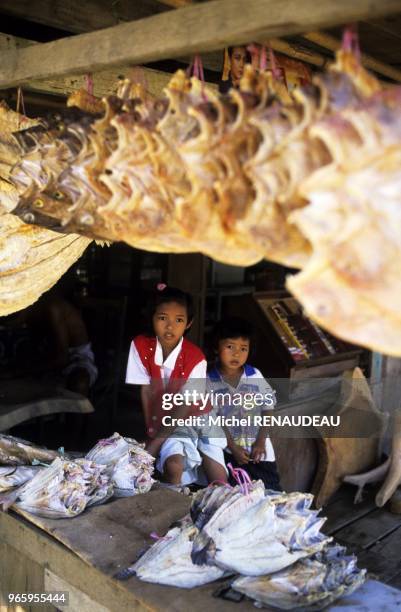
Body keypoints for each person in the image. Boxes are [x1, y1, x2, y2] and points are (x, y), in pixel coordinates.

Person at [126, 284, 227, 487]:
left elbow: (184, 406)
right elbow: (146, 391)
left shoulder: (195, 358)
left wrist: (154, 445)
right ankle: (174, 511)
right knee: (174, 467)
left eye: (178, 320)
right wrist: (152, 431)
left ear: (189, 323)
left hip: (197, 415)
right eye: (163, 318)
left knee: (218, 478)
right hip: (166, 417)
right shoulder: (140, 346)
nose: (170, 327)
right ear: (152, 317)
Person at [207, 316, 281, 490]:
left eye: (243, 348)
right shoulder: (209, 381)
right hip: (231, 453)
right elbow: (215, 419)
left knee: (271, 492)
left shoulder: (254, 375)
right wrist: (233, 447)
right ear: (216, 348)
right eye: (230, 347)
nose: (236, 354)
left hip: (261, 452)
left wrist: (261, 441)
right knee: (240, 495)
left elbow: (268, 407)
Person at [1, 292, 97, 397]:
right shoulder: (31, 312)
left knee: (79, 382)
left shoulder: (52, 309)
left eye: (11, 323)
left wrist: (16, 372)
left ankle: (78, 412)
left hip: (75, 357)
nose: (11, 327)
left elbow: (61, 359)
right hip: (46, 353)